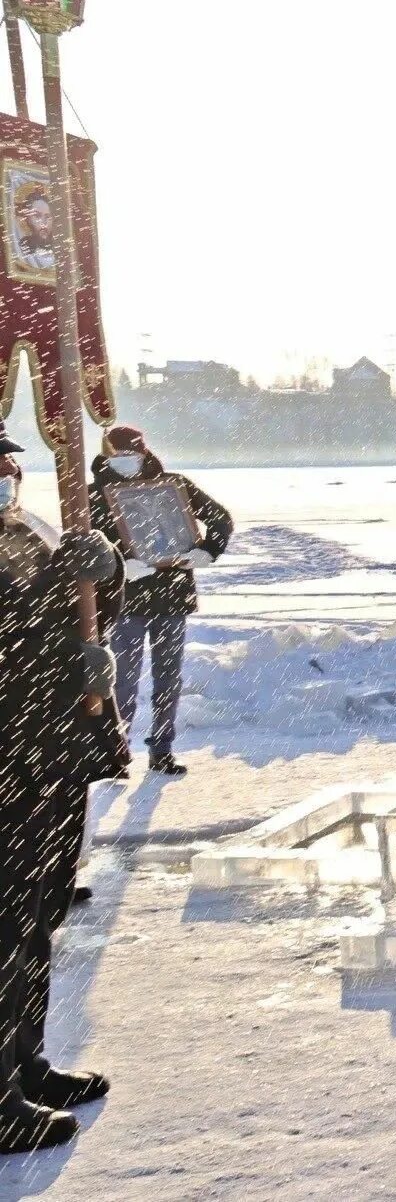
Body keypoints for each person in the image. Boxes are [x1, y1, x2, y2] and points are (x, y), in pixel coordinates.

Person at [1, 427, 124, 1152]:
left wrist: (96, 581)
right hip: (7, 764)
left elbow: (56, 623)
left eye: (12, 464)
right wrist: (58, 586)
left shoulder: (19, 534)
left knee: (35, 923)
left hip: (45, 759)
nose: (11, 475)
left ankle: (24, 1063)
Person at [88, 425, 234, 776]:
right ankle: (115, 753)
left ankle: (162, 749)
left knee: (168, 677)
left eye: (133, 454)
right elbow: (85, 547)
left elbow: (220, 519)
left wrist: (207, 551)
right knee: (121, 680)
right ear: (107, 456)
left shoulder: (173, 486)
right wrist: (118, 566)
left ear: (144, 452)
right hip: (126, 599)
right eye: (119, 456)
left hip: (171, 596)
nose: (127, 461)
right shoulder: (95, 494)